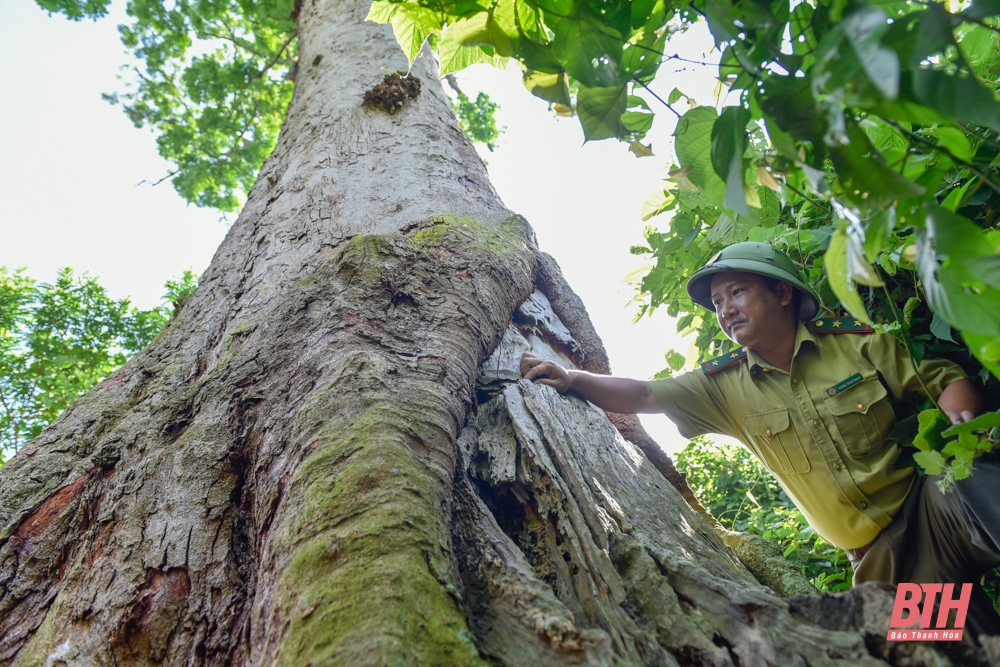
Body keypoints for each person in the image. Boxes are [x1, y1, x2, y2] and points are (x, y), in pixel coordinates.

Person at [520, 241, 1000, 640]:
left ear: (782, 293)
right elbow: (645, 392)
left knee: (978, 474)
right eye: (718, 303)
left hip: (934, 511)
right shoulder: (724, 386)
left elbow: (939, 377)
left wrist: (962, 412)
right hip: (888, 563)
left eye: (737, 292)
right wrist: (573, 377)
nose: (725, 310)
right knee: (962, 650)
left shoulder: (856, 344)